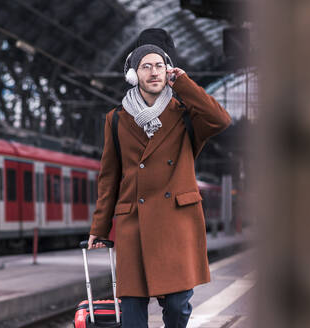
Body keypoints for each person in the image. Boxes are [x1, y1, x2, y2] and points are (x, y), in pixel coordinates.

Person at [87, 28, 232, 328]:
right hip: (133, 225)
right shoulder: (116, 120)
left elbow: (221, 119)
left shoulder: (186, 114)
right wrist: (100, 227)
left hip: (176, 223)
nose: (153, 72)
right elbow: (109, 176)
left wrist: (184, 82)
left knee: (178, 308)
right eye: (145, 66)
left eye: (159, 66)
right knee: (133, 315)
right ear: (133, 74)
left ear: (168, 71)